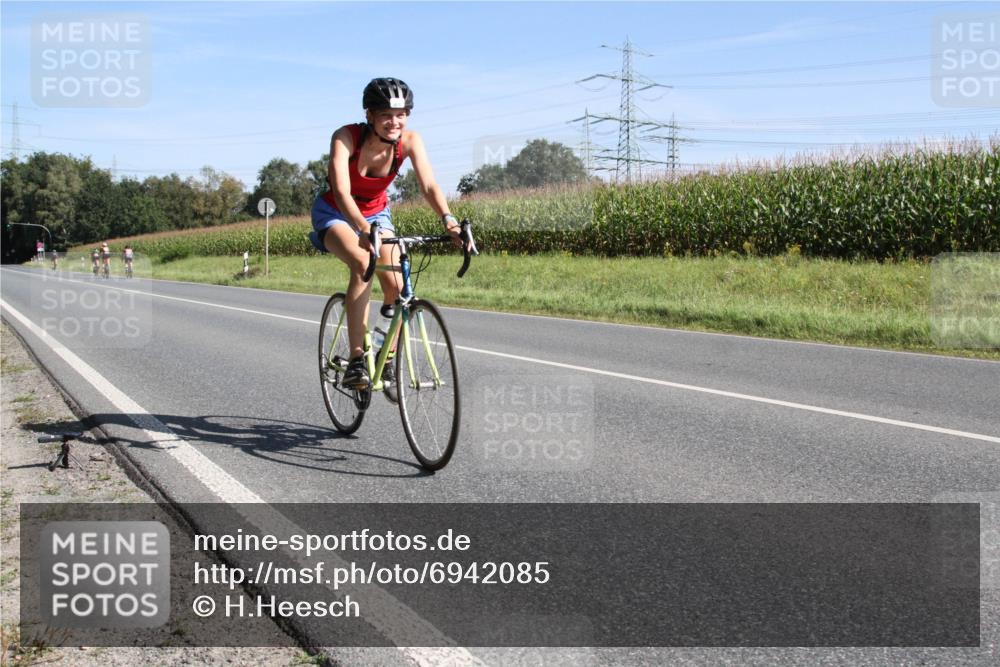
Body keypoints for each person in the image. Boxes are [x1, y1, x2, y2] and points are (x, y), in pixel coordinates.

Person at [309, 77, 463, 389]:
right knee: (363, 262)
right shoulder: (345, 138)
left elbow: (429, 185)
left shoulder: (409, 141)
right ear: (370, 116)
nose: (395, 122)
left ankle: (385, 355)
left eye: (402, 114)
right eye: (386, 116)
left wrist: (449, 219)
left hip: (377, 213)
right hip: (336, 212)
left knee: (396, 284)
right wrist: (363, 230)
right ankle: (355, 361)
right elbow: (341, 191)